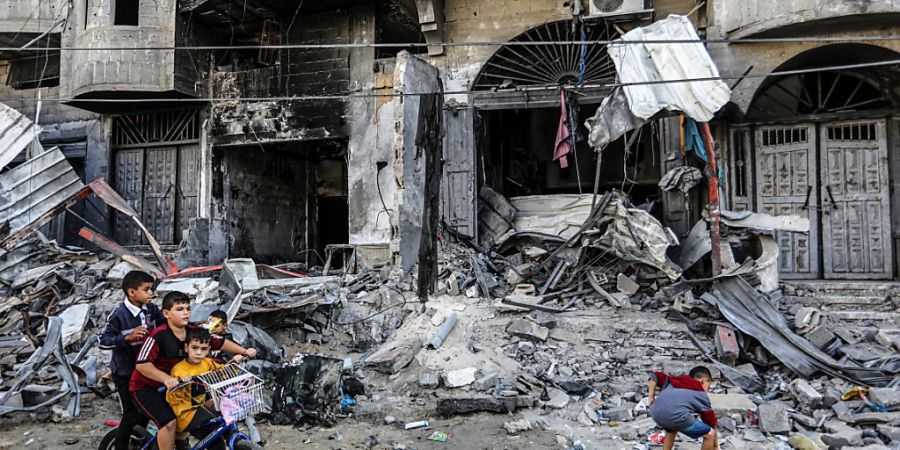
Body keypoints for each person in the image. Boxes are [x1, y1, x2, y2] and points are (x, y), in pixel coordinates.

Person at [130, 291, 257, 450]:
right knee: (169, 422)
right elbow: (141, 364)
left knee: (201, 418)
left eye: (188, 309)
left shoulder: (192, 331)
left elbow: (219, 342)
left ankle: (181, 442)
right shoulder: (158, 335)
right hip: (148, 387)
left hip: (181, 385)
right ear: (166, 313)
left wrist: (244, 352)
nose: (185, 312)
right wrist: (166, 379)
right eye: (180, 309)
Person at [99, 270, 165, 450]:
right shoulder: (119, 314)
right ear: (132, 292)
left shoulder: (151, 309)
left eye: (151, 289)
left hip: (146, 370)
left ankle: (137, 442)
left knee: (144, 411)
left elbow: (163, 329)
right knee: (130, 413)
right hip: (125, 371)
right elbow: (103, 341)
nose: (151, 293)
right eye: (146, 289)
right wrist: (126, 338)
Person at [166, 327, 234, 450]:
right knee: (220, 421)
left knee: (218, 437)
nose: (198, 353)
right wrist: (181, 384)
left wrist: (235, 361)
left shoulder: (207, 363)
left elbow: (222, 371)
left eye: (203, 349)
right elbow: (172, 398)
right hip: (186, 415)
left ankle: (235, 442)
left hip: (200, 408)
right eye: (194, 348)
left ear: (208, 350)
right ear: (187, 348)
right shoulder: (179, 370)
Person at [648, 366, 719, 450]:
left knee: (671, 430)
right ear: (705, 380)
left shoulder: (675, 380)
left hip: (655, 412)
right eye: (709, 385)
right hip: (676, 416)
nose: (708, 389)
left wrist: (651, 396)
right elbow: (710, 422)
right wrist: (715, 446)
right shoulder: (701, 393)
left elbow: (655, 375)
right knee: (709, 434)